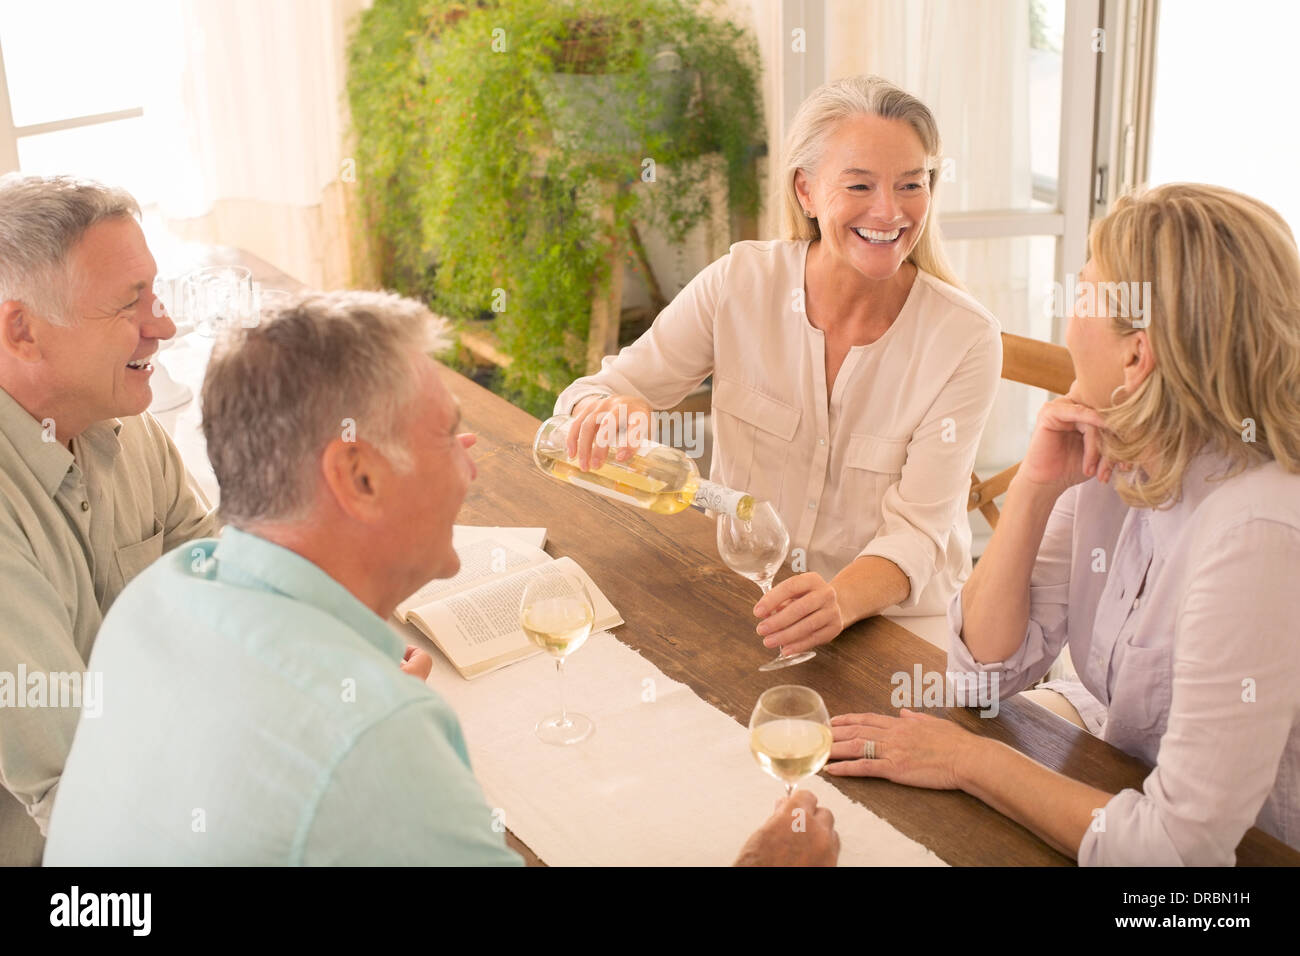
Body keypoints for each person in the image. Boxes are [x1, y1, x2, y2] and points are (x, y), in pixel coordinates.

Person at [44, 290, 839, 865]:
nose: (473, 457)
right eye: (447, 435)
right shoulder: (377, 741)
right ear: (356, 476)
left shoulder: (165, 590)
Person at [825, 183, 1300, 865]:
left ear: (1137, 357)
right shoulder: (1120, 452)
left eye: (1082, 296)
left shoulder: (1256, 536)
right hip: (1114, 787)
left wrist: (967, 761)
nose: (1065, 320)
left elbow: (1174, 852)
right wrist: (1036, 487)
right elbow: (980, 678)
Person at [556, 75, 1001, 662]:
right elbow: (608, 388)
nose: (889, 211)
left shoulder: (964, 339)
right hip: (750, 601)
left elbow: (919, 534)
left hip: (895, 630)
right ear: (807, 191)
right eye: (859, 184)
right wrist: (608, 409)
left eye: (910, 185)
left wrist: (838, 601)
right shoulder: (741, 284)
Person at [0, 174, 217, 865]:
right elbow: (85, 803)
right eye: (130, 305)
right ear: (22, 331)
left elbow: (228, 603)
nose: (163, 325)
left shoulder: (124, 425)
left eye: (154, 293)